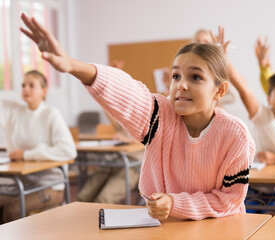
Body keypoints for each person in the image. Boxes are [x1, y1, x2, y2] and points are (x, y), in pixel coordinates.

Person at [20, 14, 256, 221]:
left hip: (221, 229)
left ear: (220, 90)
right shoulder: (162, 116)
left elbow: (229, 200)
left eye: (195, 77)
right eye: (175, 76)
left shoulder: (235, 134)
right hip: (165, 227)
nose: (181, 85)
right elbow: (129, 94)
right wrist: (74, 66)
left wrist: (175, 203)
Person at [0, 70, 77, 223]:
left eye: (31, 85)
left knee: (11, 210)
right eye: (23, 85)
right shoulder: (15, 111)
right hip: (22, 183)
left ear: (44, 91)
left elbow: (69, 151)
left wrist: (26, 155)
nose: (25, 89)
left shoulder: (51, 114)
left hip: (51, 186)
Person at [77, 112, 143, 204]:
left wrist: (129, 141)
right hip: (116, 159)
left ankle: (96, 216)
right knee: (83, 196)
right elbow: (113, 117)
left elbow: (154, 142)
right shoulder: (127, 116)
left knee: (104, 199)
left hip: (134, 164)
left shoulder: (152, 114)